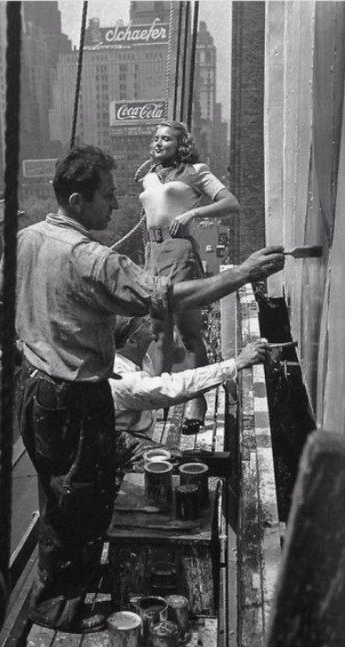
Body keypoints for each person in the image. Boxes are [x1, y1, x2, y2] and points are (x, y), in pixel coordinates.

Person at [11, 144, 283, 634]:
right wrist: (243, 274)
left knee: (59, 495)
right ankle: (59, 607)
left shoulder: (29, 239)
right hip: (75, 396)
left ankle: (55, 596)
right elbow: (168, 297)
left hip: (35, 391)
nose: (116, 206)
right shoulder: (90, 258)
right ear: (77, 199)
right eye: (107, 197)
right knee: (82, 499)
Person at [137, 120, 240, 435]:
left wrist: (194, 214)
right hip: (151, 253)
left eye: (166, 139)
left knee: (188, 330)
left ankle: (197, 402)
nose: (158, 143)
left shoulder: (196, 171)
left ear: (181, 143)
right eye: (155, 138)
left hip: (180, 250)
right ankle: (160, 402)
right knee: (159, 333)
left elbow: (231, 203)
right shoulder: (149, 176)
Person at [110, 315, 268, 452]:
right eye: (143, 323)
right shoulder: (120, 377)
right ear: (131, 341)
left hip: (139, 433)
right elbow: (169, 388)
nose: (149, 322)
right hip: (119, 443)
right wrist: (236, 363)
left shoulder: (140, 359)